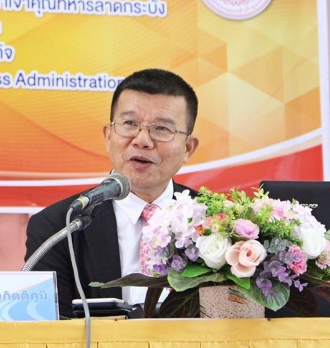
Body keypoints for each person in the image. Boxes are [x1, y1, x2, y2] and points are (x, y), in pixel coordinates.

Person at [24, 68, 200, 318]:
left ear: (188, 148)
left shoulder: (218, 222)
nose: (142, 140)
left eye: (161, 128)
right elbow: (51, 328)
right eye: (129, 124)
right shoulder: (59, 226)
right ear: (108, 137)